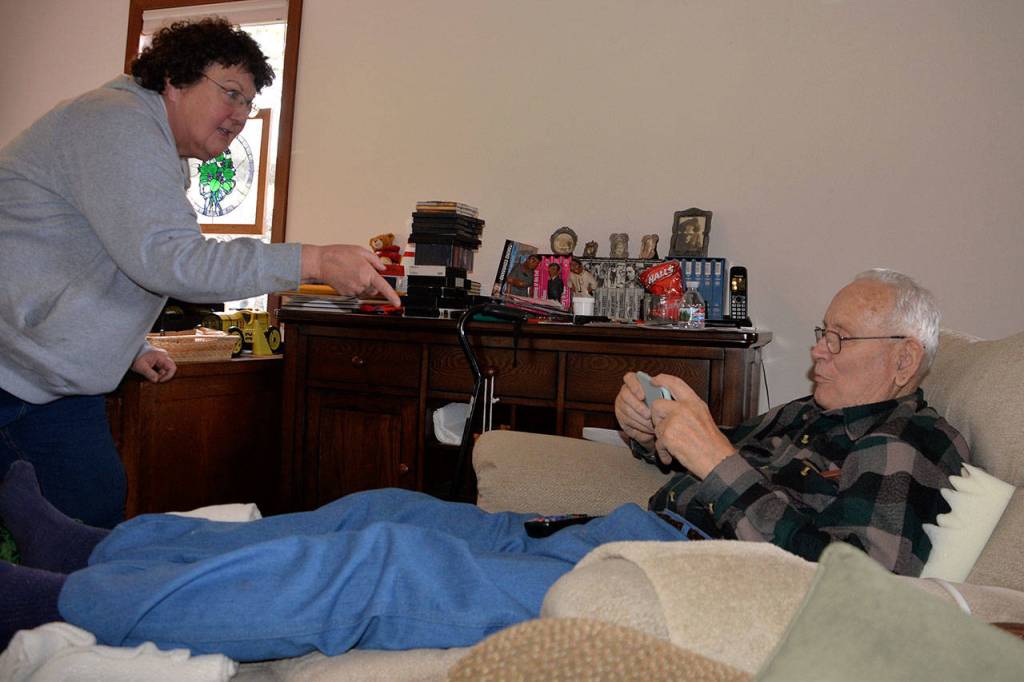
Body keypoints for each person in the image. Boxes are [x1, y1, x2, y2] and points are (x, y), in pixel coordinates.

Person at [0, 269, 966, 660]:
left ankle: (61, 604)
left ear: (906, 358)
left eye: (841, 338)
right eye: (826, 334)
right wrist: (646, 431)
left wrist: (712, 457)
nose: (819, 351)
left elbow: (858, 583)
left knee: (383, 564)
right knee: (378, 503)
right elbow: (705, 475)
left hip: (659, 580)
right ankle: (100, 549)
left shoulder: (912, 444)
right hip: (613, 533)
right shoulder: (805, 414)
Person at [0, 18, 399, 529]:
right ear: (174, 79)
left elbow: (107, 258)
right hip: (12, 370)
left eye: (248, 104)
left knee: (91, 508)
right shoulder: (115, 121)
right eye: (230, 93)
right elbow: (170, 259)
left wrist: (126, 346)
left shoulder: (155, 147)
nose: (239, 116)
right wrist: (313, 260)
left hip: (47, 381)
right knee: (79, 520)